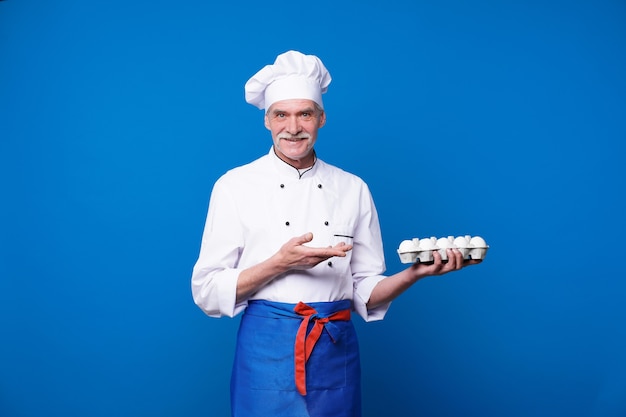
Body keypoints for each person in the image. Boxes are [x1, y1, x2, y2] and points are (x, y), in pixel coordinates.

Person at [191, 50, 482, 417]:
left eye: (305, 114)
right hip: (266, 350)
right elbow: (206, 290)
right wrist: (279, 264)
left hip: (334, 345)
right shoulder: (235, 186)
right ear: (267, 120)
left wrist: (413, 274)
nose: (292, 127)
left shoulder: (352, 188)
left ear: (322, 118)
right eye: (281, 114)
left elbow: (365, 289)